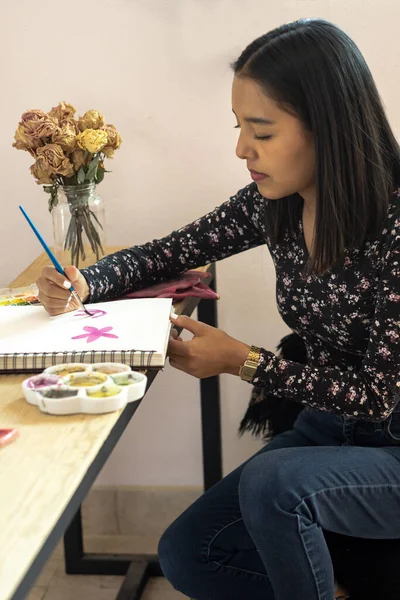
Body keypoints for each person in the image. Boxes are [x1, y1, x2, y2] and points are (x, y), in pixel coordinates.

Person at [36, 18, 400, 600]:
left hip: (390, 443)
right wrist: (86, 280)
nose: (240, 149)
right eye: (239, 127)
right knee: (188, 553)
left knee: (273, 483)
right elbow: (172, 251)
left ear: (328, 129)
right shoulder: (274, 202)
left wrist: (244, 361)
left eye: (261, 130)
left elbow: (379, 396)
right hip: (330, 431)